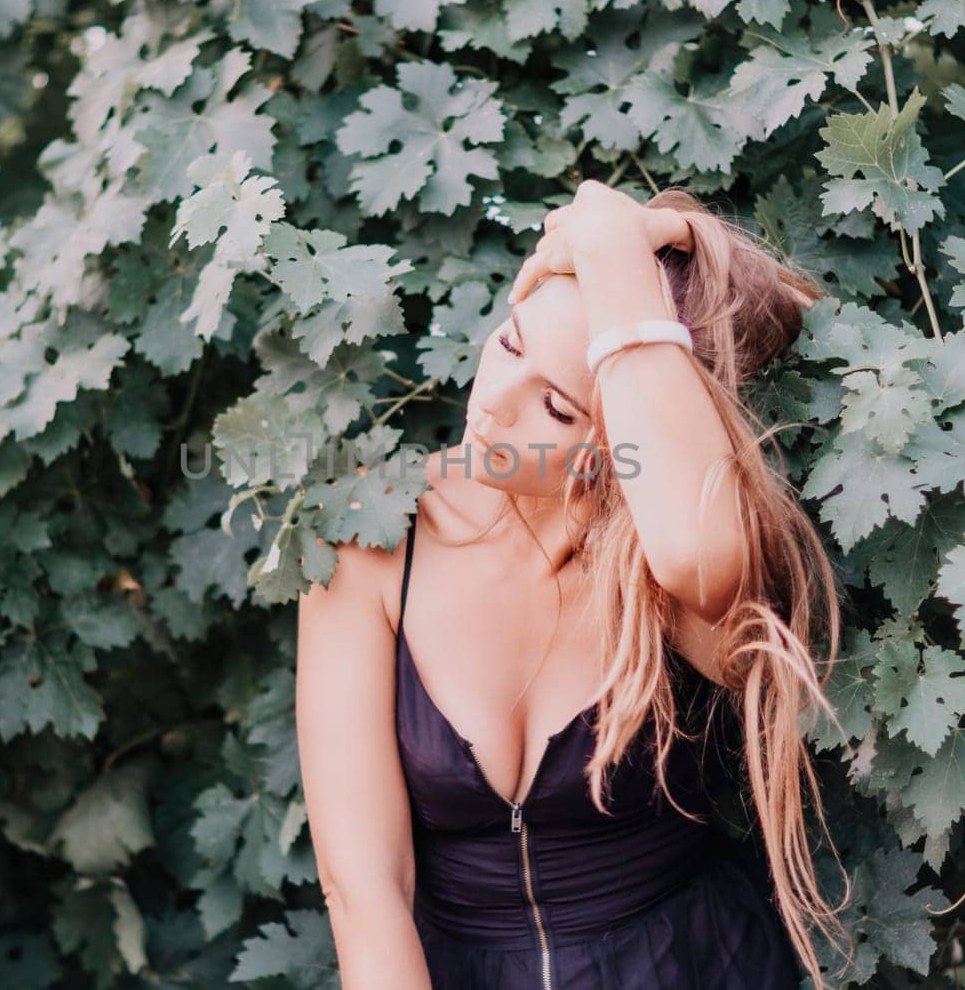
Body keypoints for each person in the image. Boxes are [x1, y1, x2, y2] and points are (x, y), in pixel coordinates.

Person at [296, 180, 857, 989]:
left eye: (557, 409)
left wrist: (612, 246)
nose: (493, 407)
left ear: (623, 430)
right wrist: (630, 240)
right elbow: (365, 891)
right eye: (511, 345)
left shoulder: (671, 566)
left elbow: (704, 549)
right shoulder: (372, 530)